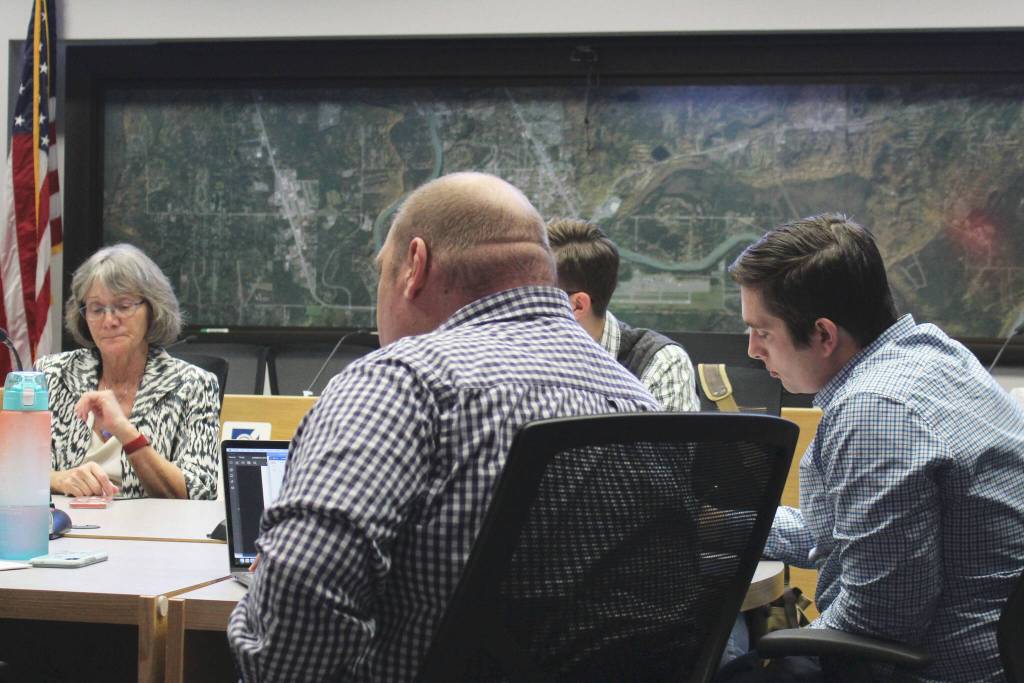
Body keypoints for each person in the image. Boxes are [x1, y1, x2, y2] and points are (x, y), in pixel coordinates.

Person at [227, 173, 658, 681]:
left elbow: (291, 633)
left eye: (381, 272)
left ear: (414, 265)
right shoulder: (640, 401)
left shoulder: (400, 382)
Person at [728, 213, 1024, 681]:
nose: (752, 350)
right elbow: (846, 536)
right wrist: (721, 524)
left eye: (763, 332)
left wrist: (778, 650)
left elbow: (881, 618)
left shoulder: (874, 412)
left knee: (727, 663)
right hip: (986, 657)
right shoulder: (938, 355)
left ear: (824, 335)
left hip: (929, 670)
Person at [37, 244, 220, 500]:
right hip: (65, 532)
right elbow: (13, 469)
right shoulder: (53, 374)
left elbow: (200, 491)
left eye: (123, 306)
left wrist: (126, 432)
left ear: (153, 309)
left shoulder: (194, 385)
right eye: (97, 309)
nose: (109, 321)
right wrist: (58, 479)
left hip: (151, 535)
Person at [546, 218, 700, 411]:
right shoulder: (522, 355)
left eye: (539, 296)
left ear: (577, 305)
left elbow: (673, 442)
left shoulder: (662, 364)